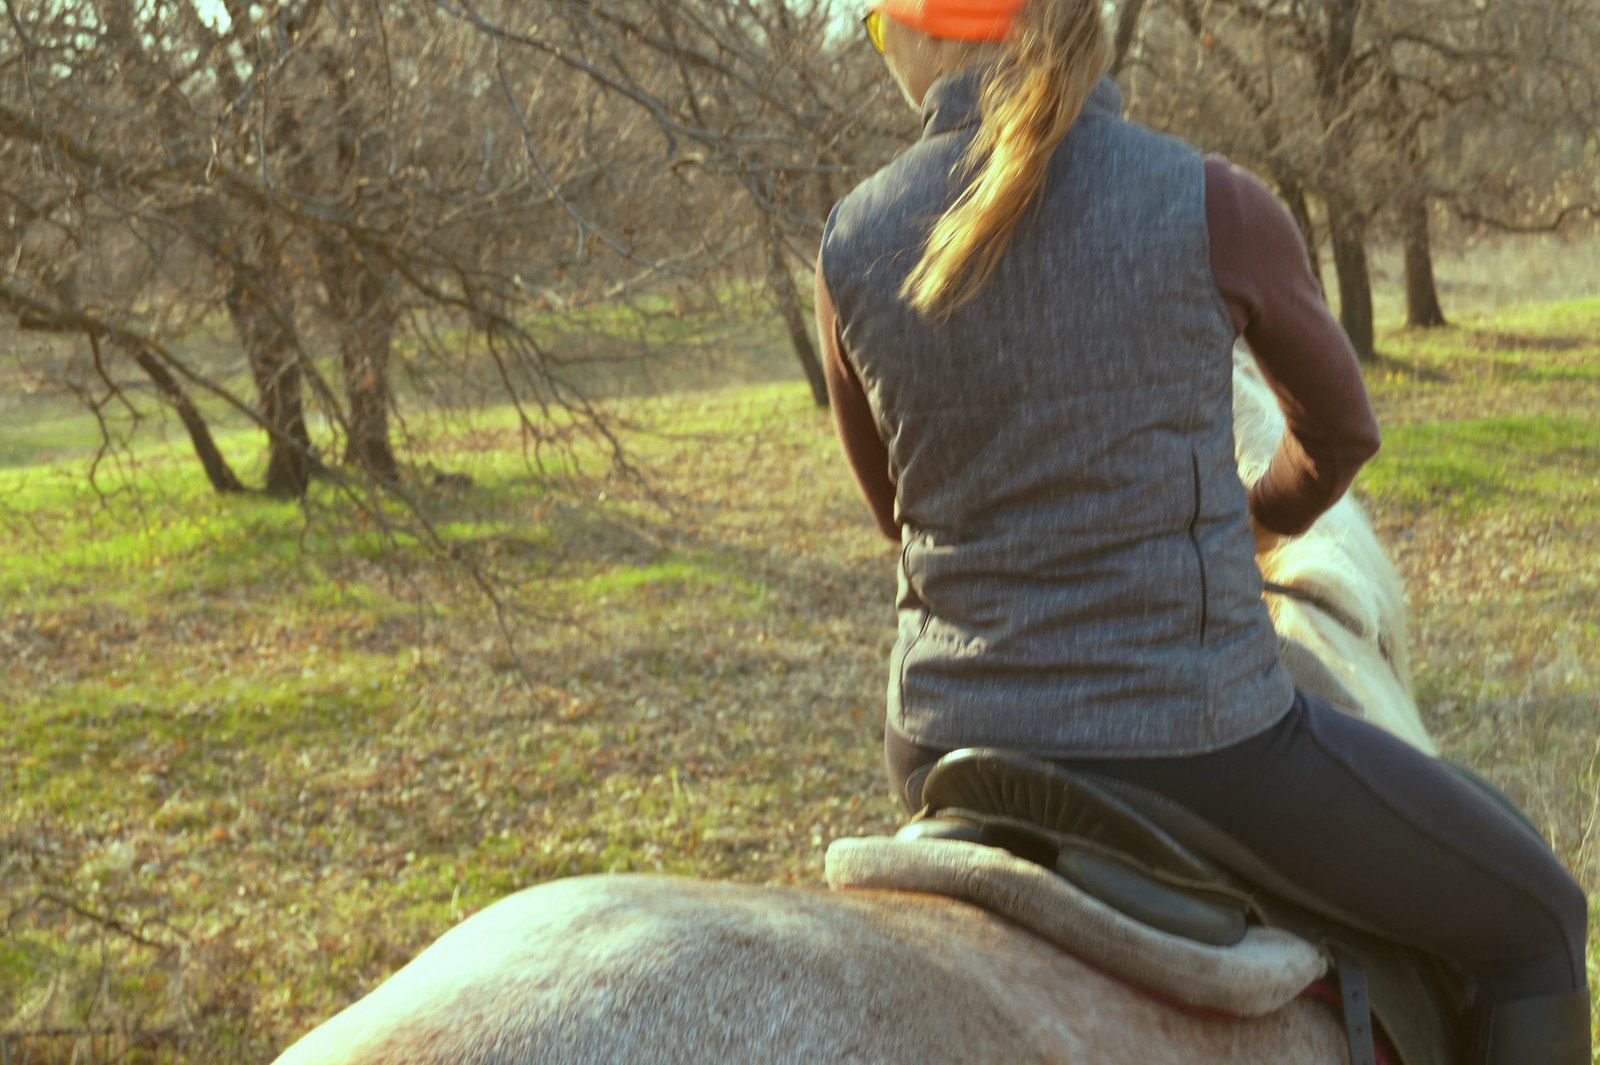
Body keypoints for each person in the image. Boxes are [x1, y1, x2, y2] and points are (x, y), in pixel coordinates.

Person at [814, 2, 1590, 1061]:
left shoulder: (852, 238)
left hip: (948, 739)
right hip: (1193, 742)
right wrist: (1245, 515)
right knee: (1536, 922)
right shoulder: (1211, 201)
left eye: (870, 28)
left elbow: (894, 513)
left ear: (933, 31)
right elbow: (1339, 434)